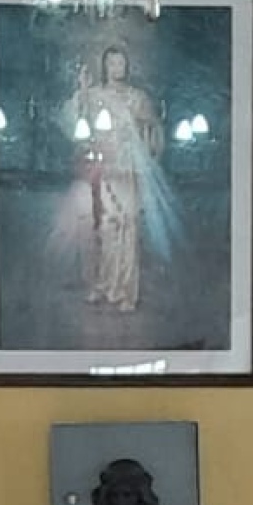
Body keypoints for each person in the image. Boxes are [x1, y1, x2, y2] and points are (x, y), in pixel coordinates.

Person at [74, 43, 164, 314]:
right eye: (112, 63)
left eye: (121, 63)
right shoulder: (95, 95)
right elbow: (79, 117)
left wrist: (146, 147)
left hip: (129, 168)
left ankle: (127, 292)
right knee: (107, 226)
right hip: (106, 168)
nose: (117, 68)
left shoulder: (138, 98)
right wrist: (81, 87)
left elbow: (151, 129)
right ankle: (104, 284)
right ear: (105, 66)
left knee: (130, 226)